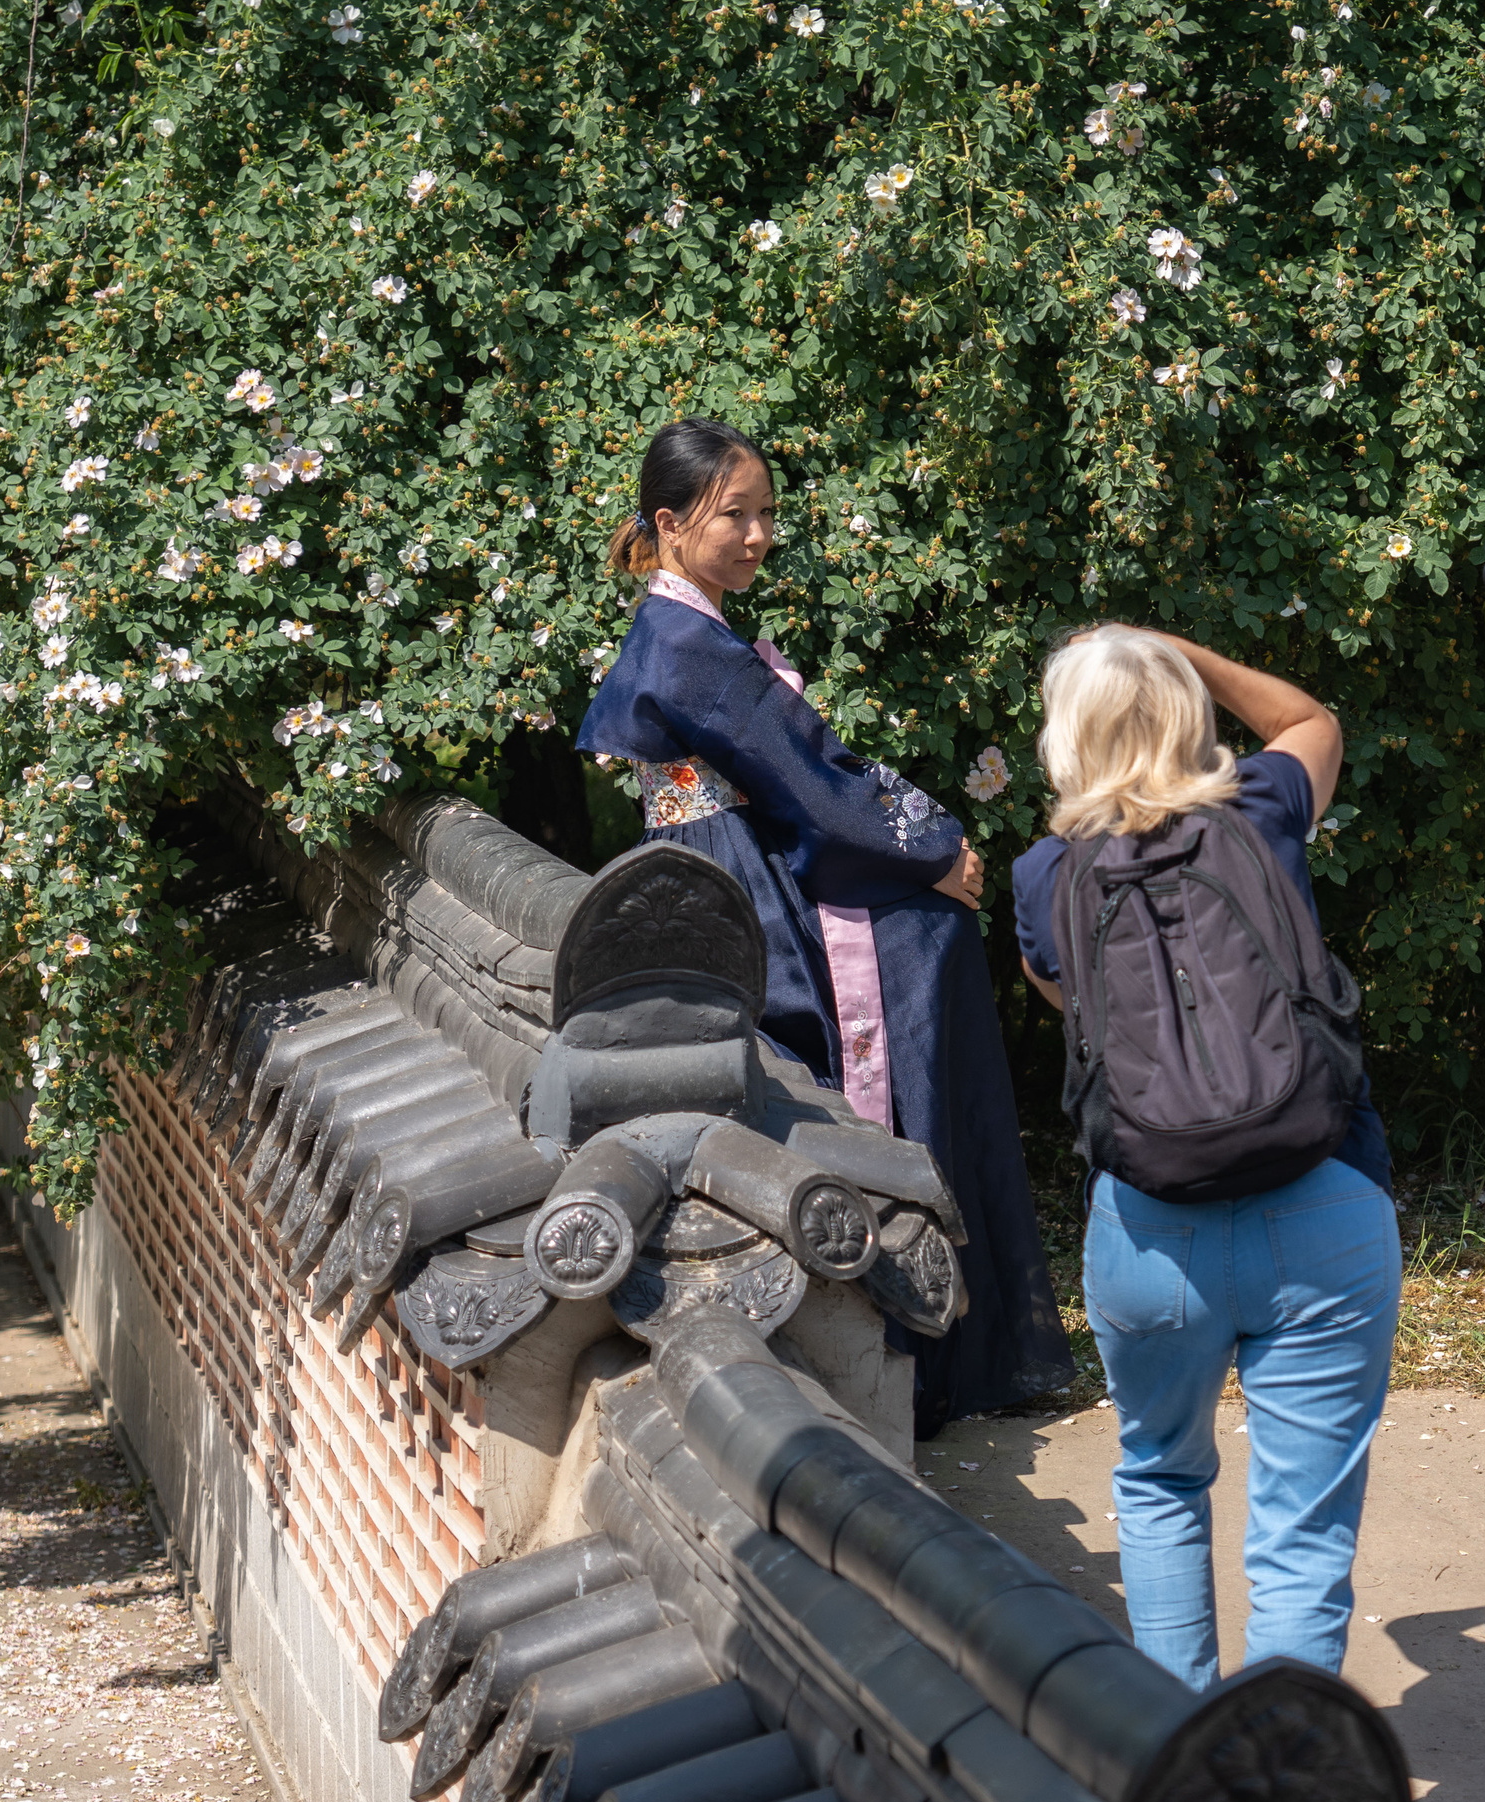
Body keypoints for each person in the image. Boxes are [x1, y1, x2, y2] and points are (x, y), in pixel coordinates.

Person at [577, 417, 1072, 1433]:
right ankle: (922, 1341)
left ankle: (933, 1338)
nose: (759, 535)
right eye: (735, 515)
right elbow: (812, 777)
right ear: (671, 524)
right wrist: (934, 847)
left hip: (722, 867)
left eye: (765, 515)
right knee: (918, 963)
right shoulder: (688, 642)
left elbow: (804, 770)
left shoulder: (683, 627)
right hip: (742, 885)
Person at [1010, 626, 1398, 1690]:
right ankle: (1280, 1788)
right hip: (1321, 1196)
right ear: (1188, 716)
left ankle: (1181, 1766)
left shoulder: (1043, 876)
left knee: (1160, 1475)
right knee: (1303, 1530)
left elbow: (1074, 1009)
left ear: (1063, 736)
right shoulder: (1265, 813)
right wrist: (1173, 646)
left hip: (1149, 1227)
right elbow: (1309, 719)